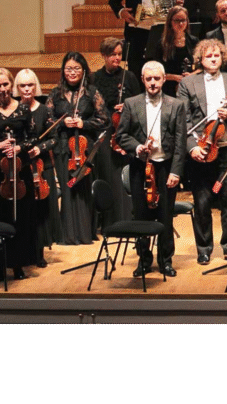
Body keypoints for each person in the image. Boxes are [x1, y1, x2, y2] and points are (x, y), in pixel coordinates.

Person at [178, 39, 227, 265]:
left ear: (223, 57)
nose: (213, 59)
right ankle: (204, 249)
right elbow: (183, 120)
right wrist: (192, 147)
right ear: (200, 59)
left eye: (217, 55)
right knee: (202, 202)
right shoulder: (188, 83)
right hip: (200, 148)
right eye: (208, 56)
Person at [115, 61, 187, 278]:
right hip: (140, 167)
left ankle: (166, 261)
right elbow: (121, 135)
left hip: (165, 167)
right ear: (143, 80)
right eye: (149, 79)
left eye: (157, 78)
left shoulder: (176, 105)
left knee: (165, 215)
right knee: (141, 216)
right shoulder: (131, 103)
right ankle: (144, 260)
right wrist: (137, 147)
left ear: (164, 79)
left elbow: (180, 142)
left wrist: (176, 171)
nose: (153, 83)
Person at [48, 52, 108, 246]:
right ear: (63, 71)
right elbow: (47, 120)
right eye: (68, 68)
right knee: (68, 187)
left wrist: (84, 123)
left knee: (82, 187)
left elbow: (104, 119)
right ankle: (67, 234)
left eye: (76, 68)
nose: (72, 72)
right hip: (63, 147)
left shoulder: (91, 92)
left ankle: (84, 232)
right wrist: (62, 122)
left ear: (83, 71)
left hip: (83, 147)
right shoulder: (55, 94)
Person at [89, 38, 142, 226]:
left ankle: (128, 217)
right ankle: (109, 220)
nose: (117, 58)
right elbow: (91, 107)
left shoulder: (129, 77)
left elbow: (139, 103)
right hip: (105, 132)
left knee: (125, 174)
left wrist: (127, 106)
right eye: (113, 55)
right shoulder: (95, 78)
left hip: (125, 130)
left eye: (119, 54)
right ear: (104, 55)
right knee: (108, 173)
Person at [12, 69, 59, 264]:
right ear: (17, 88)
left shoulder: (44, 111)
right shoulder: (13, 110)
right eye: (22, 85)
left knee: (40, 211)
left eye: (30, 84)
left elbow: (54, 138)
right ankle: (24, 251)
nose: (27, 89)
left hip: (41, 166)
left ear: (35, 86)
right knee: (24, 210)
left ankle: (39, 252)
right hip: (21, 166)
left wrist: (39, 148)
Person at [145, 6, 199, 96]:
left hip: (190, 84)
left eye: (183, 20)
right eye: (177, 20)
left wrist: (191, 75)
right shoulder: (162, 44)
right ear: (170, 22)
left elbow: (202, 67)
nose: (181, 24)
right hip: (168, 86)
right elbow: (156, 71)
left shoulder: (194, 41)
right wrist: (175, 77)